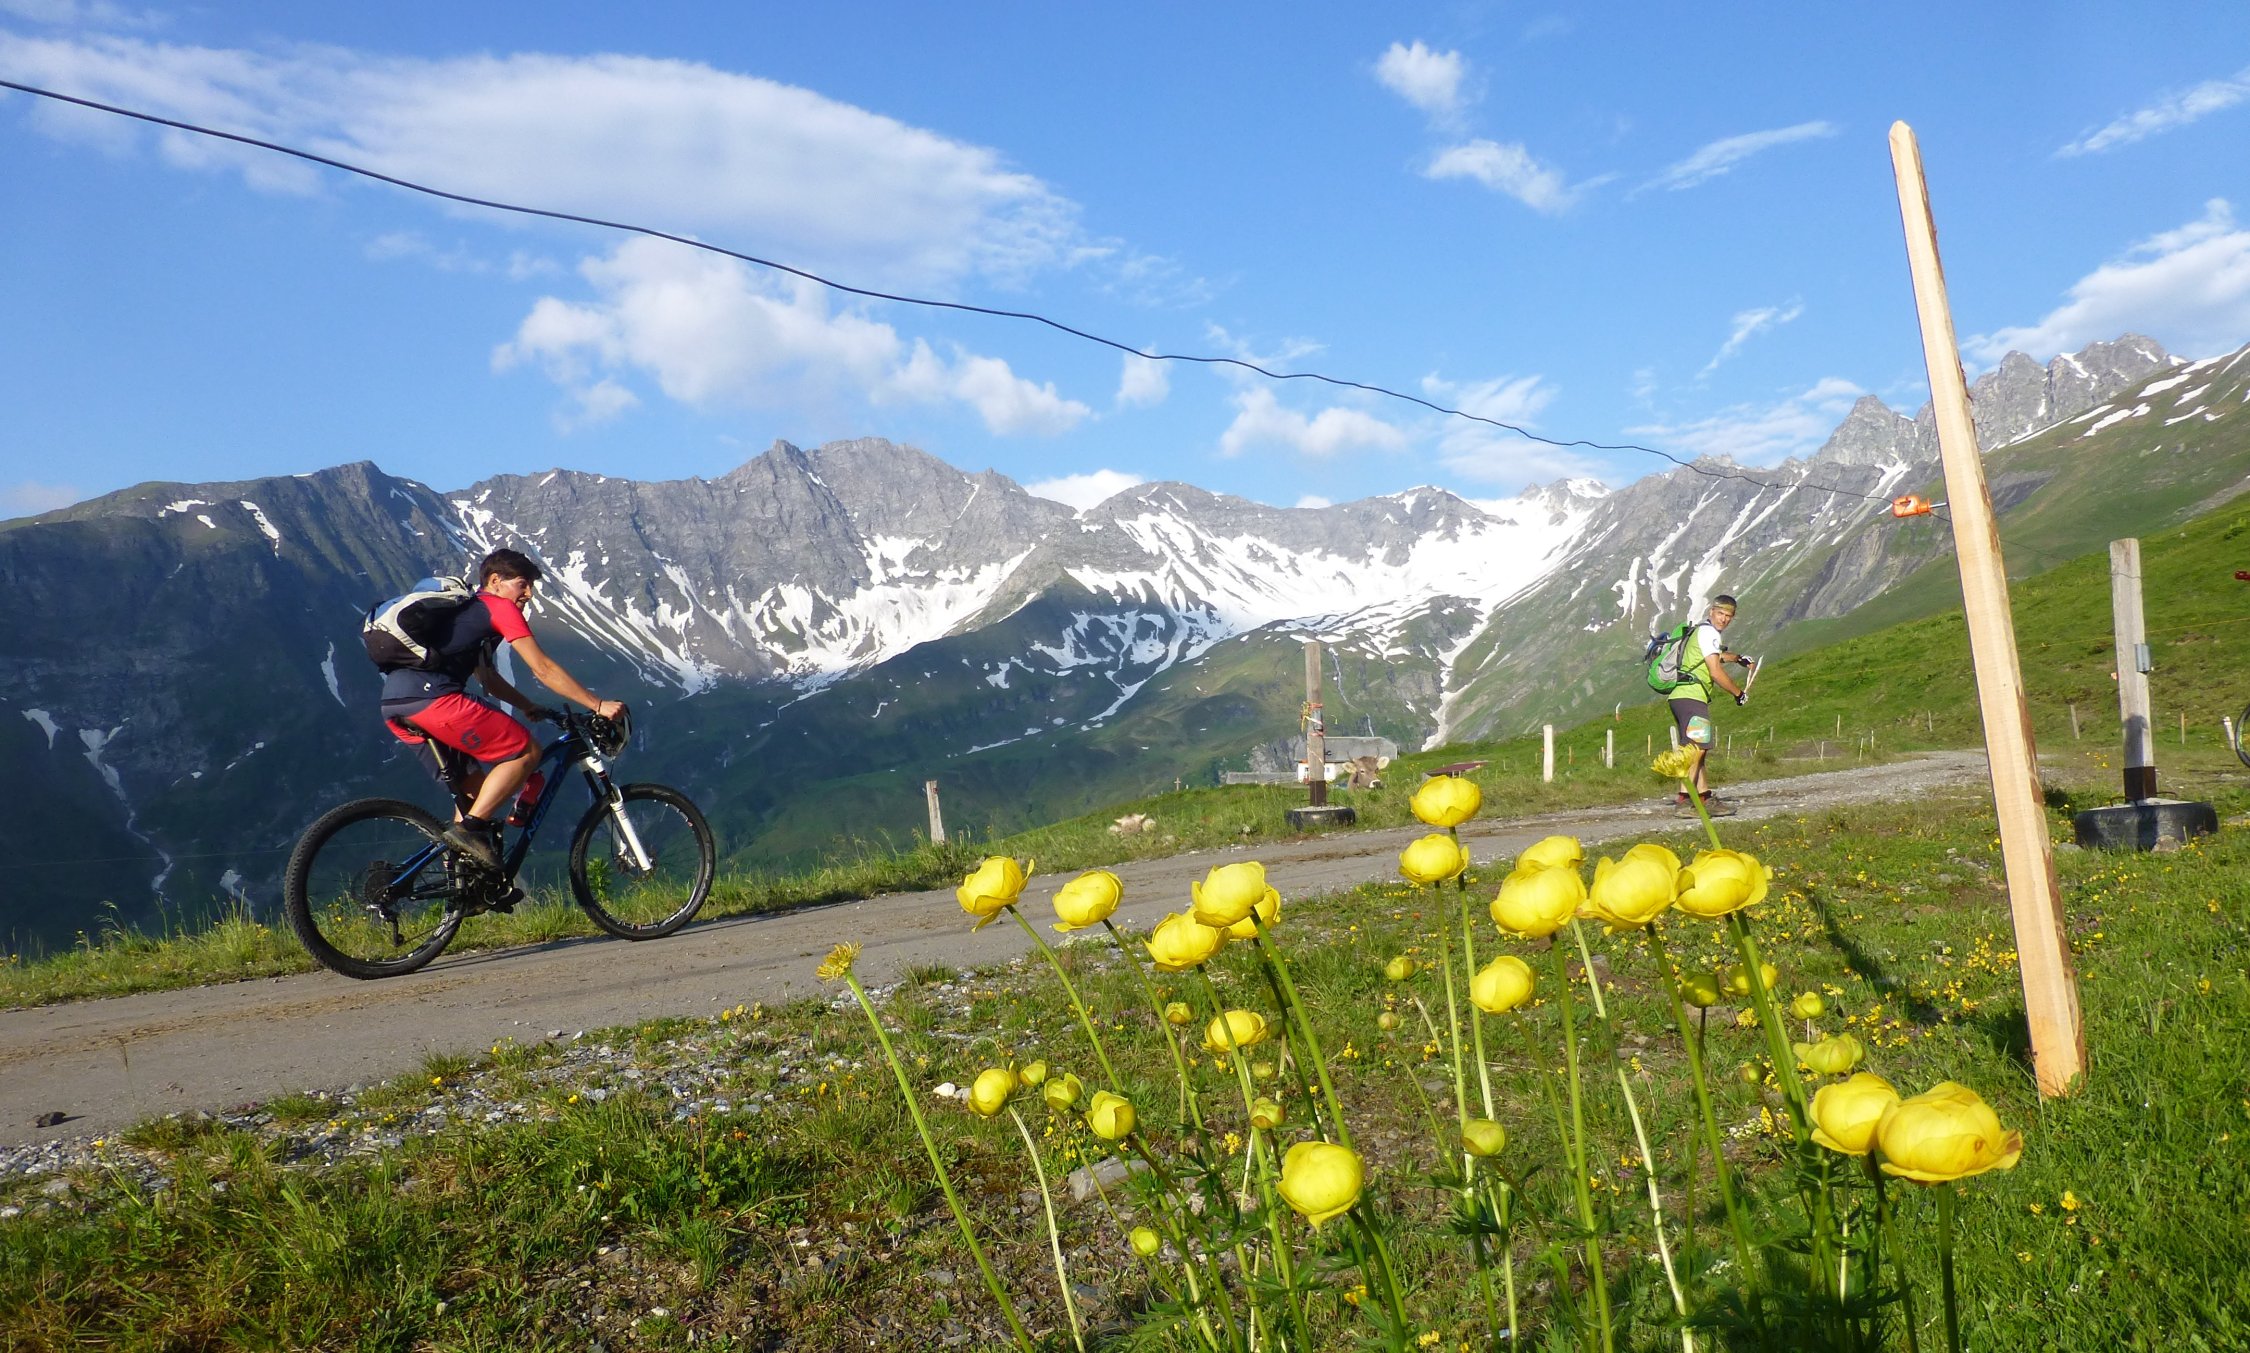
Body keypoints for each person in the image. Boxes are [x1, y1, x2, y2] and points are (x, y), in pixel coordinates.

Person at [378, 548, 625, 870]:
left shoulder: (469, 612)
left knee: (474, 795)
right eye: (523, 584)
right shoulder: (498, 607)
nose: (529, 593)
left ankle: (462, 879)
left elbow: (488, 678)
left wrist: (527, 706)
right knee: (526, 752)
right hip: (434, 698)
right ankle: (470, 831)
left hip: (396, 705)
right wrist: (597, 704)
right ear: (495, 581)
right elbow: (543, 668)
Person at [1667, 593, 1754, 816]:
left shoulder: (1700, 631)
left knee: (1699, 749)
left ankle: (1704, 798)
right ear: (1711, 612)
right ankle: (1685, 800)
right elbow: (1715, 671)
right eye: (1720, 613)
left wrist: (1737, 658)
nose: (1724, 619)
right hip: (1692, 697)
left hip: (1681, 697)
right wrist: (1738, 694)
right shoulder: (1709, 633)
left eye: (1728, 616)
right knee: (1697, 748)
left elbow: (1714, 657)